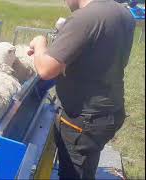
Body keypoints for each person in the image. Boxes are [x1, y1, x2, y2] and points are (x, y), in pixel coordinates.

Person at [27, 0, 136, 179]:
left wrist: (40, 44)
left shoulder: (85, 18)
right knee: (86, 166)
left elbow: (46, 69)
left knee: (74, 173)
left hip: (82, 120)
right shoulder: (122, 13)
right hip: (109, 112)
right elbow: (96, 55)